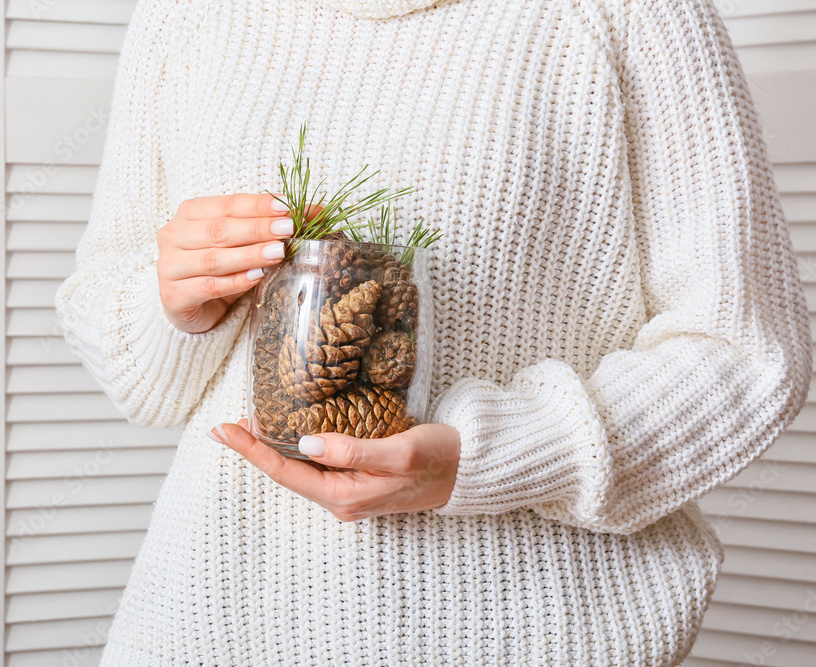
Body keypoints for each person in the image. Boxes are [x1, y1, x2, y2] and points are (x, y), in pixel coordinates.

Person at [54, 0, 812, 664]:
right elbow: (124, 352)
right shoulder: (186, 15)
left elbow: (743, 352)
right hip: (209, 625)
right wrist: (171, 303)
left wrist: (490, 456)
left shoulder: (627, 15)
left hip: (534, 635)